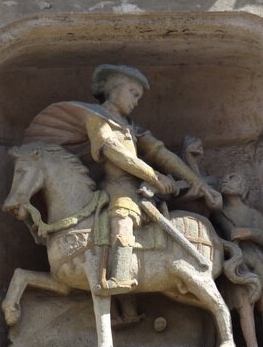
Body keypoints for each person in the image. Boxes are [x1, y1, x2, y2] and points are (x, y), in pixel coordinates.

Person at [82, 65, 222, 295]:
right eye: (133, 93)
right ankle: (120, 277)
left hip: (142, 189)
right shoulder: (97, 118)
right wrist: (154, 176)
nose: (136, 101)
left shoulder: (131, 126)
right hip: (117, 189)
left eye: (138, 97)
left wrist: (197, 182)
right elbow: (116, 153)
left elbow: (160, 153)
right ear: (114, 89)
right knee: (122, 217)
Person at [212, 172, 263, 347]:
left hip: (255, 261)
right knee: (243, 301)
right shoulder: (218, 215)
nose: (226, 179)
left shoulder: (253, 214)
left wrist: (248, 232)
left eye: (233, 178)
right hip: (234, 262)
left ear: (244, 188)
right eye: (225, 178)